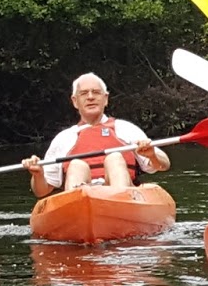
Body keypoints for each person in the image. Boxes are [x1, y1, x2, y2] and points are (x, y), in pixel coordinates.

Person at [22, 73, 170, 198]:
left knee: (114, 158)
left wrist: (151, 155)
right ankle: (77, 207)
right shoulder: (64, 138)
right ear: (75, 101)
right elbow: (41, 191)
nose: (90, 97)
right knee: (76, 164)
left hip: (123, 195)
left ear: (105, 99)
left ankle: (120, 201)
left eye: (96, 92)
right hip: (82, 198)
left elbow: (163, 165)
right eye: (84, 93)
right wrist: (38, 174)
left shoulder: (125, 129)